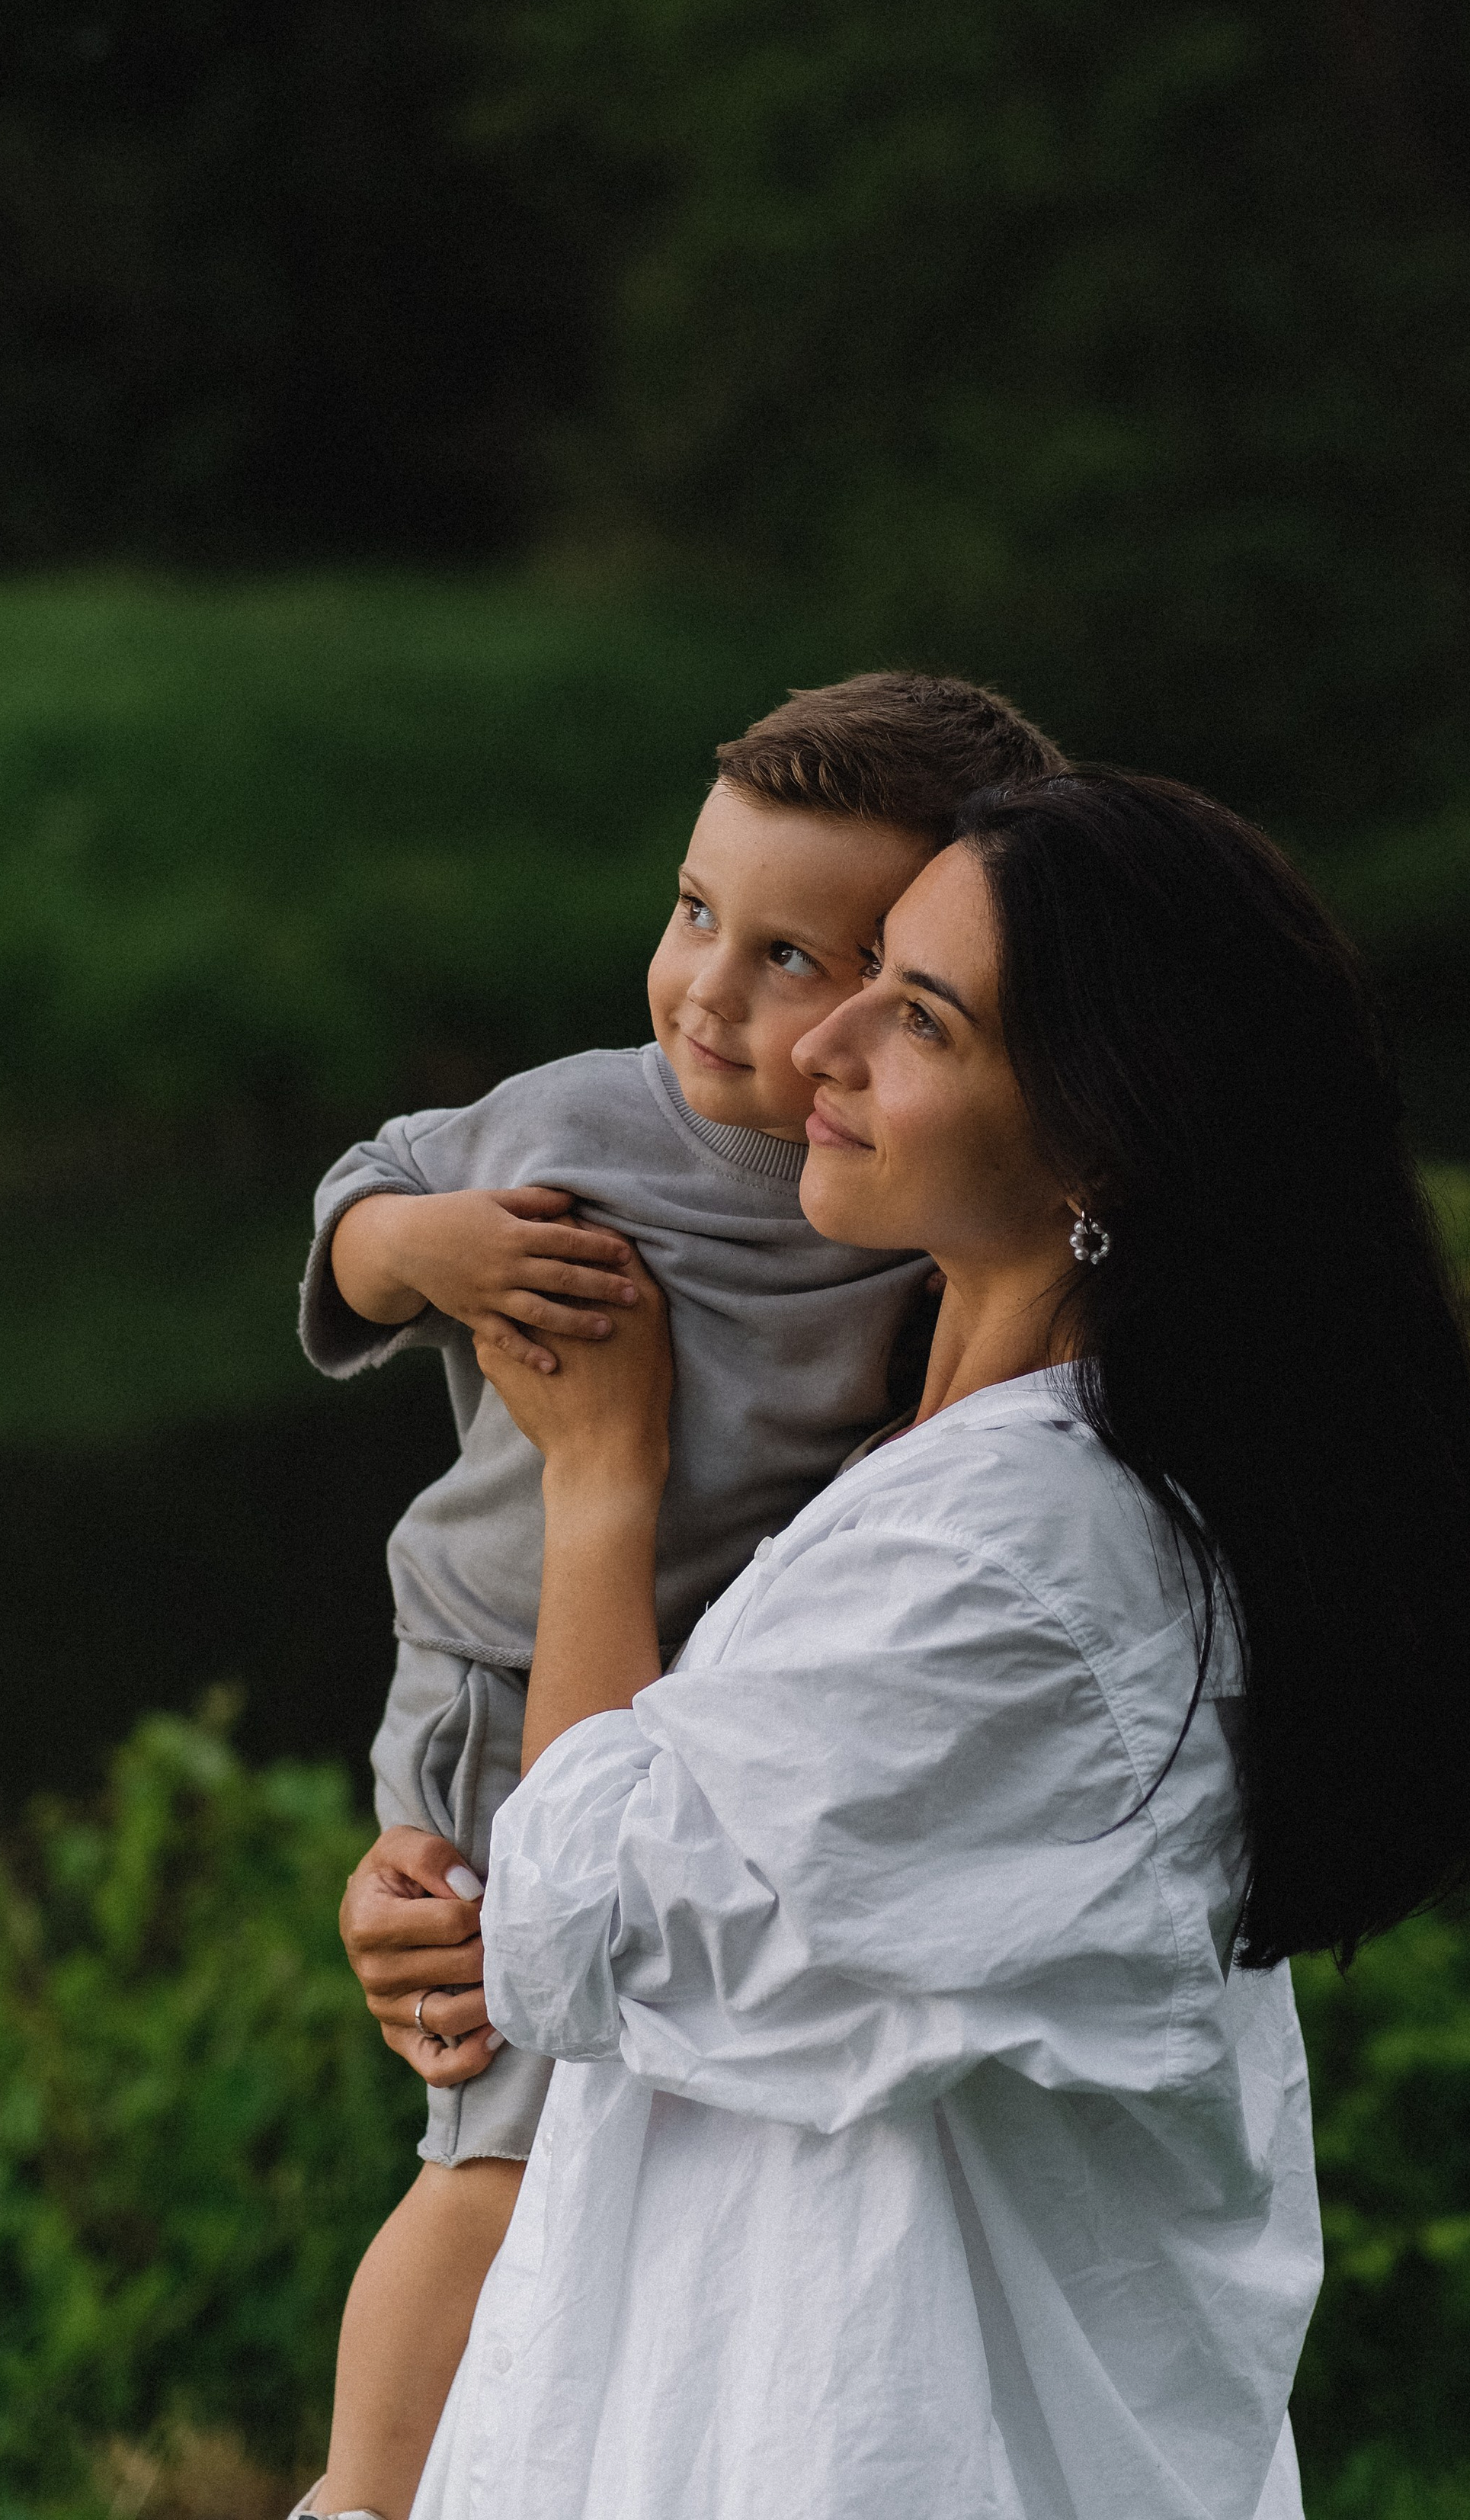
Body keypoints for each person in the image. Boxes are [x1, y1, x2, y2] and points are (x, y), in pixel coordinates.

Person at [344, 768, 1470, 2520]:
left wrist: (599, 1484)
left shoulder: (1021, 1563)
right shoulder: (938, 1473)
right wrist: (441, 1890)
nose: (816, 1045)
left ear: (1099, 1136)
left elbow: (579, 1921)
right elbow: (650, 1886)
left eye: (914, 1016)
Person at [293, 675, 1066, 2520]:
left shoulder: (890, 1241)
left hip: (682, 1688)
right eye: (693, 912)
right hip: (503, 1664)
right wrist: (424, 1248)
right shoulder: (588, 1125)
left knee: (578, 2144)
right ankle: (362, 2493)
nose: (708, 991)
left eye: (794, 959)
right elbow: (356, 1205)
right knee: (493, 2138)